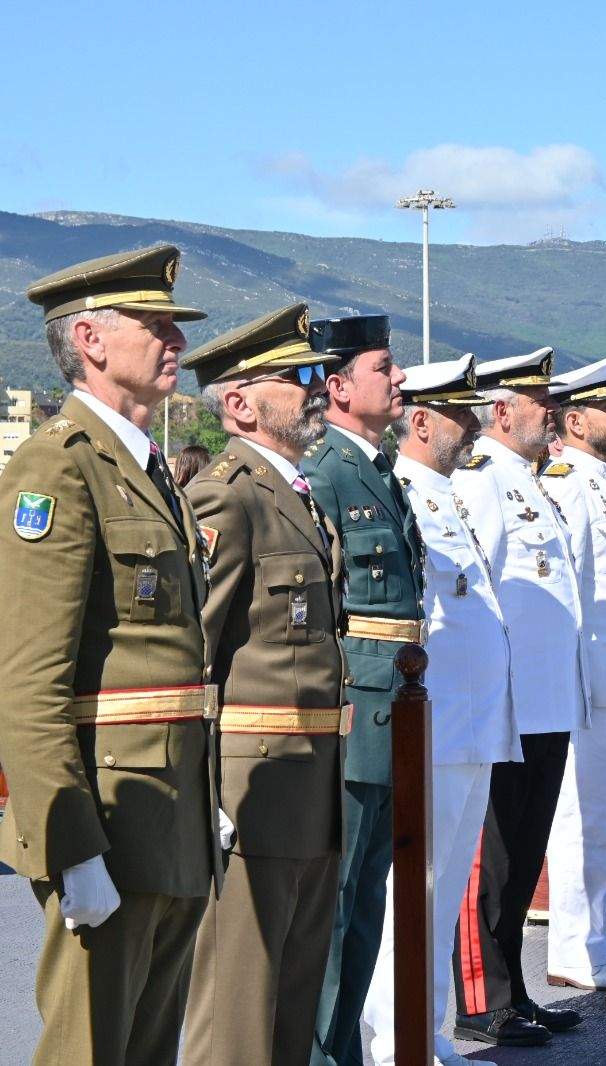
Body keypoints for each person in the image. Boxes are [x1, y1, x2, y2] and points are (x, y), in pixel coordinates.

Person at [0, 245, 218, 1066]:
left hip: (168, 808)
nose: (177, 341)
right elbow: (27, 681)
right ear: (89, 339)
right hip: (109, 813)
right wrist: (69, 842)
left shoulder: (145, 467)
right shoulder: (57, 465)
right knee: (90, 1049)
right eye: (155, 323)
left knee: (147, 1047)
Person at [179, 304, 344, 1065]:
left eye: (316, 373)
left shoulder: (294, 489)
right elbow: (196, 653)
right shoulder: (228, 494)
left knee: (295, 987)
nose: (317, 387)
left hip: (310, 772)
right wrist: (201, 788)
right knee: (241, 1000)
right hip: (253, 776)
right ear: (240, 403)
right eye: (297, 376)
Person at [364, 355, 520, 1066]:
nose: (475, 424)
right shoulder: (404, 493)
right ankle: (396, 1037)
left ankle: (423, 1033)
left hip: (471, 723)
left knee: (444, 884)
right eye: (460, 413)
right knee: (413, 889)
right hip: (434, 727)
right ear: (419, 420)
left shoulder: (452, 493)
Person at [449, 348, 585, 1048]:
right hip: (508, 705)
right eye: (540, 402)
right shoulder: (481, 481)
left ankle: (514, 990)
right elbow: (479, 595)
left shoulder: (530, 481)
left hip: (548, 701)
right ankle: (482, 999)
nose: (552, 412)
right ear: (501, 412)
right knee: (492, 859)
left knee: (523, 858)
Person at [302, 313, 421, 1066]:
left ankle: (344, 1050)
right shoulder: (327, 476)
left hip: (393, 710)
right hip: (355, 709)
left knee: (369, 905)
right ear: (340, 387)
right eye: (385, 366)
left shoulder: (377, 469)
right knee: (339, 907)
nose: (400, 376)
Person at [541, 357, 606, 991]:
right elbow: (571, 592)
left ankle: (598, 941)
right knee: (582, 816)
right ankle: (575, 948)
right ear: (575, 420)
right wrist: (574, 679)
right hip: (591, 678)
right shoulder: (568, 483)